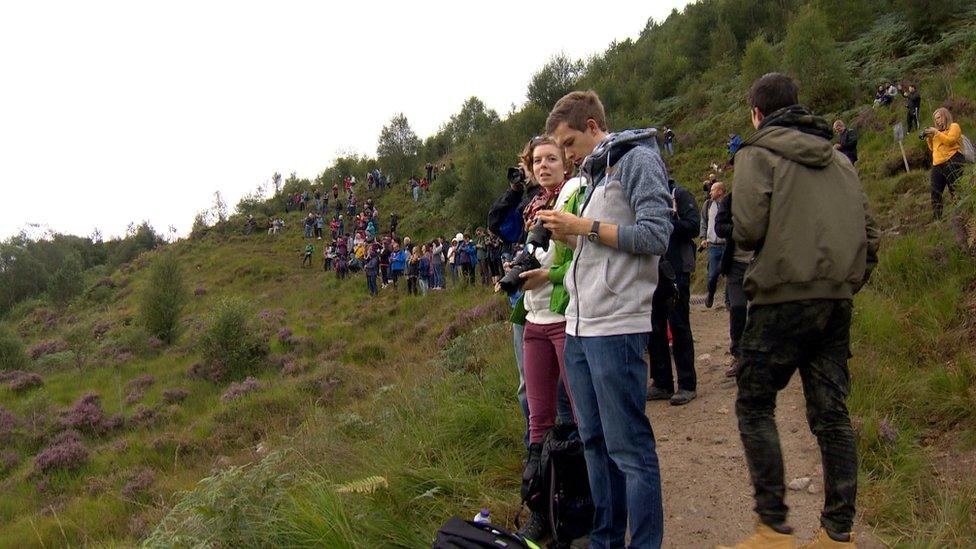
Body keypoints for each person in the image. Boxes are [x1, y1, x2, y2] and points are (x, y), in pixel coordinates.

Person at [719, 73, 880, 549]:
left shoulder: (756, 153)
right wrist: (845, 282)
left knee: (754, 403)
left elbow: (747, 230)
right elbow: (871, 237)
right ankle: (837, 534)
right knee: (832, 415)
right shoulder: (840, 161)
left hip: (780, 300)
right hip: (835, 302)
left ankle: (772, 529)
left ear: (756, 112)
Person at [538, 90, 673, 548]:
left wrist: (583, 227)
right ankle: (605, 539)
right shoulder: (596, 173)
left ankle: (645, 543)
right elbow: (599, 248)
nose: (569, 156)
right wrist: (569, 238)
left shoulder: (637, 160)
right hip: (579, 325)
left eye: (570, 144)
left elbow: (656, 235)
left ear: (593, 127)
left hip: (616, 326)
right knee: (594, 441)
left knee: (629, 449)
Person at [505, 135, 582, 542]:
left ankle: (586, 508)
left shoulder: (573, 201)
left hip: (565, 318)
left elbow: (577, 260)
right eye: (537, 160)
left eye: (552, 158)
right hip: (534, 319)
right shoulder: (533, 208)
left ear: (566, 163)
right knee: (539, 419)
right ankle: (544, 509)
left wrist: (544, 275)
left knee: (579, 414)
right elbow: (496, 220)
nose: (544, 165)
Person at [648, 177, 699, 406]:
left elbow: (694, 226)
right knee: (654, 326)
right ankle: (662, 383)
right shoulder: (646, 196)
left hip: (677, 269)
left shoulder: (679, 194)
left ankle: (687, 384)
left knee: (679, 325)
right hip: (652, 269)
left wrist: (665, 223)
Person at [714, 192, 751, 378]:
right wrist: (737, 230)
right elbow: (719, 227)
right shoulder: (731, 199)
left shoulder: (768, 193)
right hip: (736, 264)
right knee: (737, 308)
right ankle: (739, 355)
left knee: (762, 310)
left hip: (761, 263)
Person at [924, 107, 965, 220]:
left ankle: (962, 215)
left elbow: (950, 141)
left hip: (953, 159)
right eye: (935, 119)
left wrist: (936, 133)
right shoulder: (937, 133)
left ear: (945, 116)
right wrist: (929, 138)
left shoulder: (954, 127)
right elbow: (933, 149)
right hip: (937, 164)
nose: (937, 121)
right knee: (935, 192)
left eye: (939, 117)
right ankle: (937, 219)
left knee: (955, 189)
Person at [699, 180, 727, 308]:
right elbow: (704, 222)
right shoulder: (708, 205)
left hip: (726, 245)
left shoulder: (728, 205)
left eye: (713, 190)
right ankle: (710, 294)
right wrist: (703, 237)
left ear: (720, 191)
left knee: (729, 275)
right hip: (713, 246)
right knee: (712, 276)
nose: (710, 192)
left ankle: (728, 302)